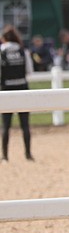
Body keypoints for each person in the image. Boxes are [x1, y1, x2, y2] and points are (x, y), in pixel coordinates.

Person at [1, 25, 35, 162]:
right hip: (22, 87)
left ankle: (5, 156)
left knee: (5, 125)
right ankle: (28, 154)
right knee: (25, 124)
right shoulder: (23, 51)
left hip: (6, 89)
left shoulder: (1, 51)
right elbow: (30, 71)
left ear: (3, 38)